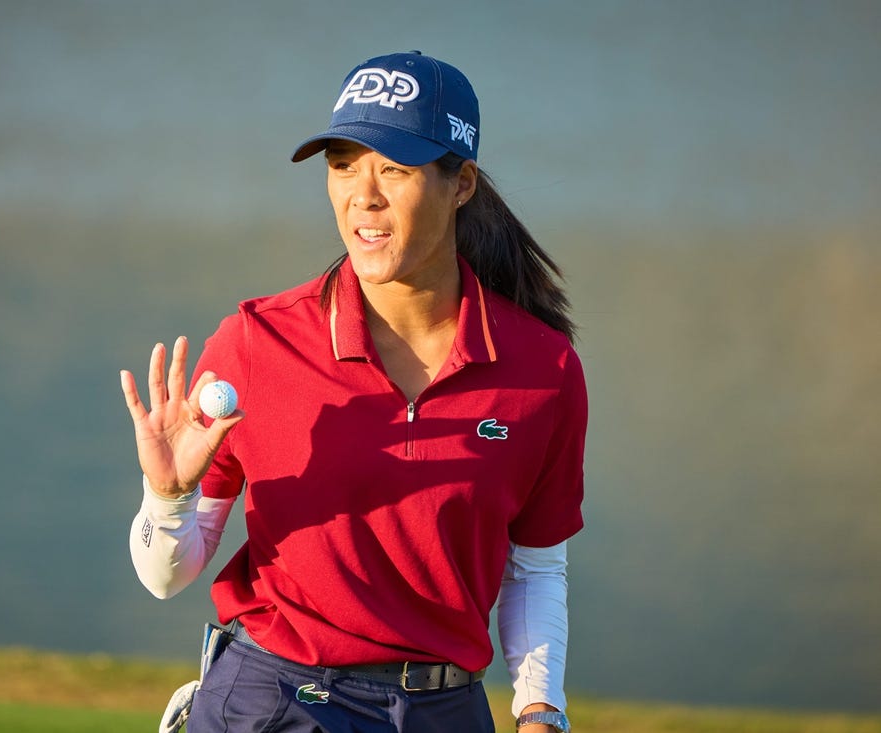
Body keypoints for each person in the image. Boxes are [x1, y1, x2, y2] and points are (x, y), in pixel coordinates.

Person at [121, 51, 587, 733]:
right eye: (342, 164)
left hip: (444, 710)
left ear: (461, 184)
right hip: (274, 701)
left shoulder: (542, 370)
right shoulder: (256, 343)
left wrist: (542, 711)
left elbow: (536, 569)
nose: (361, 195)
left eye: (393, 169)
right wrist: (167, 497)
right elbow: (166, 575)